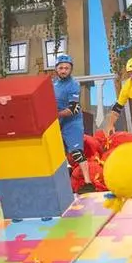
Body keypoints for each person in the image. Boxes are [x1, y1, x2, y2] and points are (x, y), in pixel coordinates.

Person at [51, 54, 90, 191]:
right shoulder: (53, 84)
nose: (63, 71)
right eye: (61, 68)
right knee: (56, 152)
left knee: (76, 152)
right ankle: (62, 183)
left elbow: (74, 108)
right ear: (56, 69)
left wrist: (56, 115)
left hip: (72, 122)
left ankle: (88, 183)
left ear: (71, 69)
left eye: (66, 68)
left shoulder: (73, 84)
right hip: (57, 122)